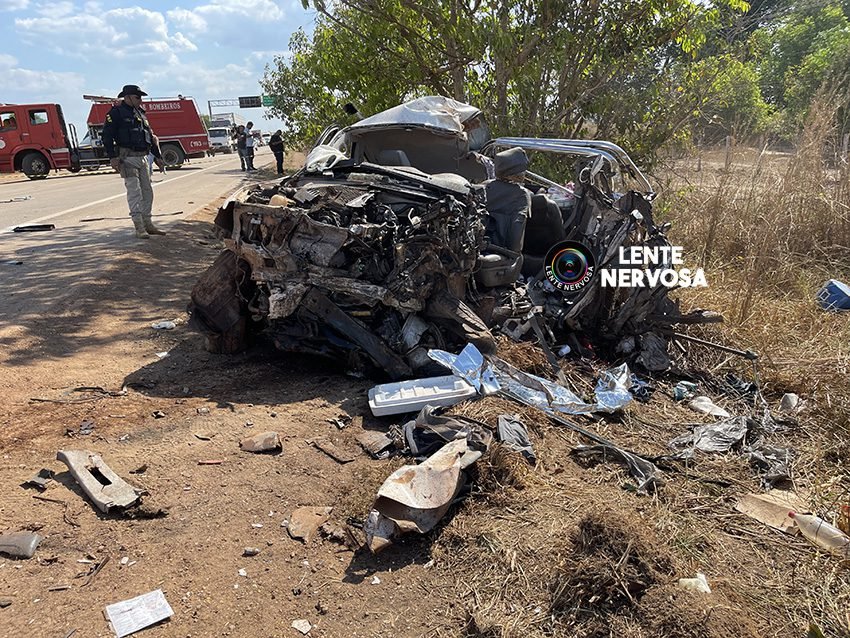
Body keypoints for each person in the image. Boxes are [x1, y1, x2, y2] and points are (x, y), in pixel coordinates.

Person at [101, 84, 166, 239]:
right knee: (134, 192)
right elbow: (107, 137)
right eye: (138, 97)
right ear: (128, 97)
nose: (140, 100)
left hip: (143, 157)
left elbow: (150, 136)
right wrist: (112, 157)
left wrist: (157, 157)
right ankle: (139, 227)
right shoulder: (115, 113)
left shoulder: (140, 113)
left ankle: (148, 223)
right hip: (127, 158)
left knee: (147, 191)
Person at [484, 147, 532, 253]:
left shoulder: (483, 187)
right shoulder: (521, 195)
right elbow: (516, 239)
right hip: (503, 252)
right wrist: (515, 254)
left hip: (479, 247)